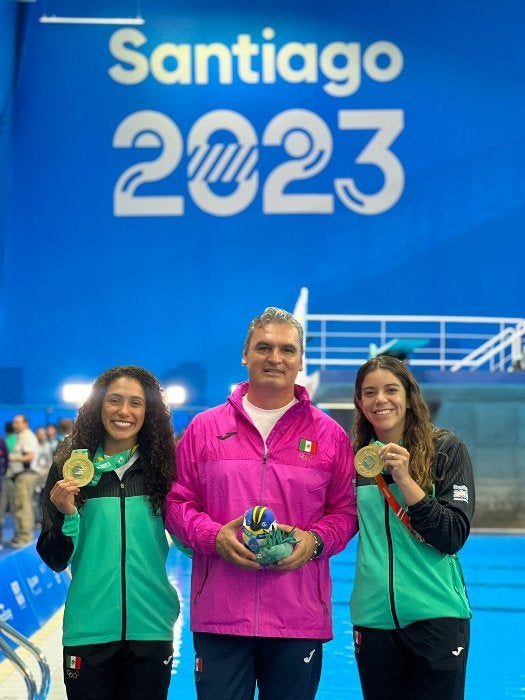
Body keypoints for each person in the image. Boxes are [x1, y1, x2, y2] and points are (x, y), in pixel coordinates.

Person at [165, 306, 357, 700]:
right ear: (245, 355)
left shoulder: (331, 436)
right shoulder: (205, 428)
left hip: (297, 617)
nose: (275, 358)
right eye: (264, 347)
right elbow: (176, 502)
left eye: (287, 349)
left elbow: (346, 511)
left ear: (300, 361)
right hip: (221, 614)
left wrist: (314, 541)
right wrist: (214, 537)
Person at [37, 365, 180, 700]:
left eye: (135, 402)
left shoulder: (163, 471)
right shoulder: (71, 469)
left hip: (151, 627)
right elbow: (54, 559)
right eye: (114, 400)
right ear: (98, 406)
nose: (124, 411)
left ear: (148, 411)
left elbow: (190, 542)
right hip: (88, 630)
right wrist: (68, 515)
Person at [350, 356, 475, 700]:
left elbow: (452, 535)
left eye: (391, 390)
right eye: (369, 392)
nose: (380, 400)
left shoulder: (446, 449)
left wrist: (405, 479)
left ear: (408, 396)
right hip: (373, 619)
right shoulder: (357, 460)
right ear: (359, 402)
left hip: (437, 616)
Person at [7, 414, 39, 547]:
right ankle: (21, 535)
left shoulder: (27, 436)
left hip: (25, 475)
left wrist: (10, 458)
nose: (14, 425)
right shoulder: (20, 436)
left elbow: (30, 457)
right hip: (20, 475)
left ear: (25, 423)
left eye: (17, 422)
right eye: (14, 422)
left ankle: (25, 537)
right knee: (20, 505)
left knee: (23, 505)